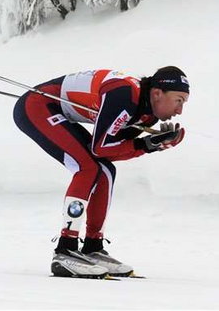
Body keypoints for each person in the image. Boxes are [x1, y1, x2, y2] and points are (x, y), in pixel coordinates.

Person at [13, 66, 189, 278]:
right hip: (38, 105)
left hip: (59, 110)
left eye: (183, 103)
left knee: (105, 169)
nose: (179, 111)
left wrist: (154, 144)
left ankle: (92, 247)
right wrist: (147, 145)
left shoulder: (147, 114)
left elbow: (115, 148)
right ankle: (65, 248)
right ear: (157, 93)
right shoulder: (125, 95)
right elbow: (102, 148)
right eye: (178, 100)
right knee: (87, 167)